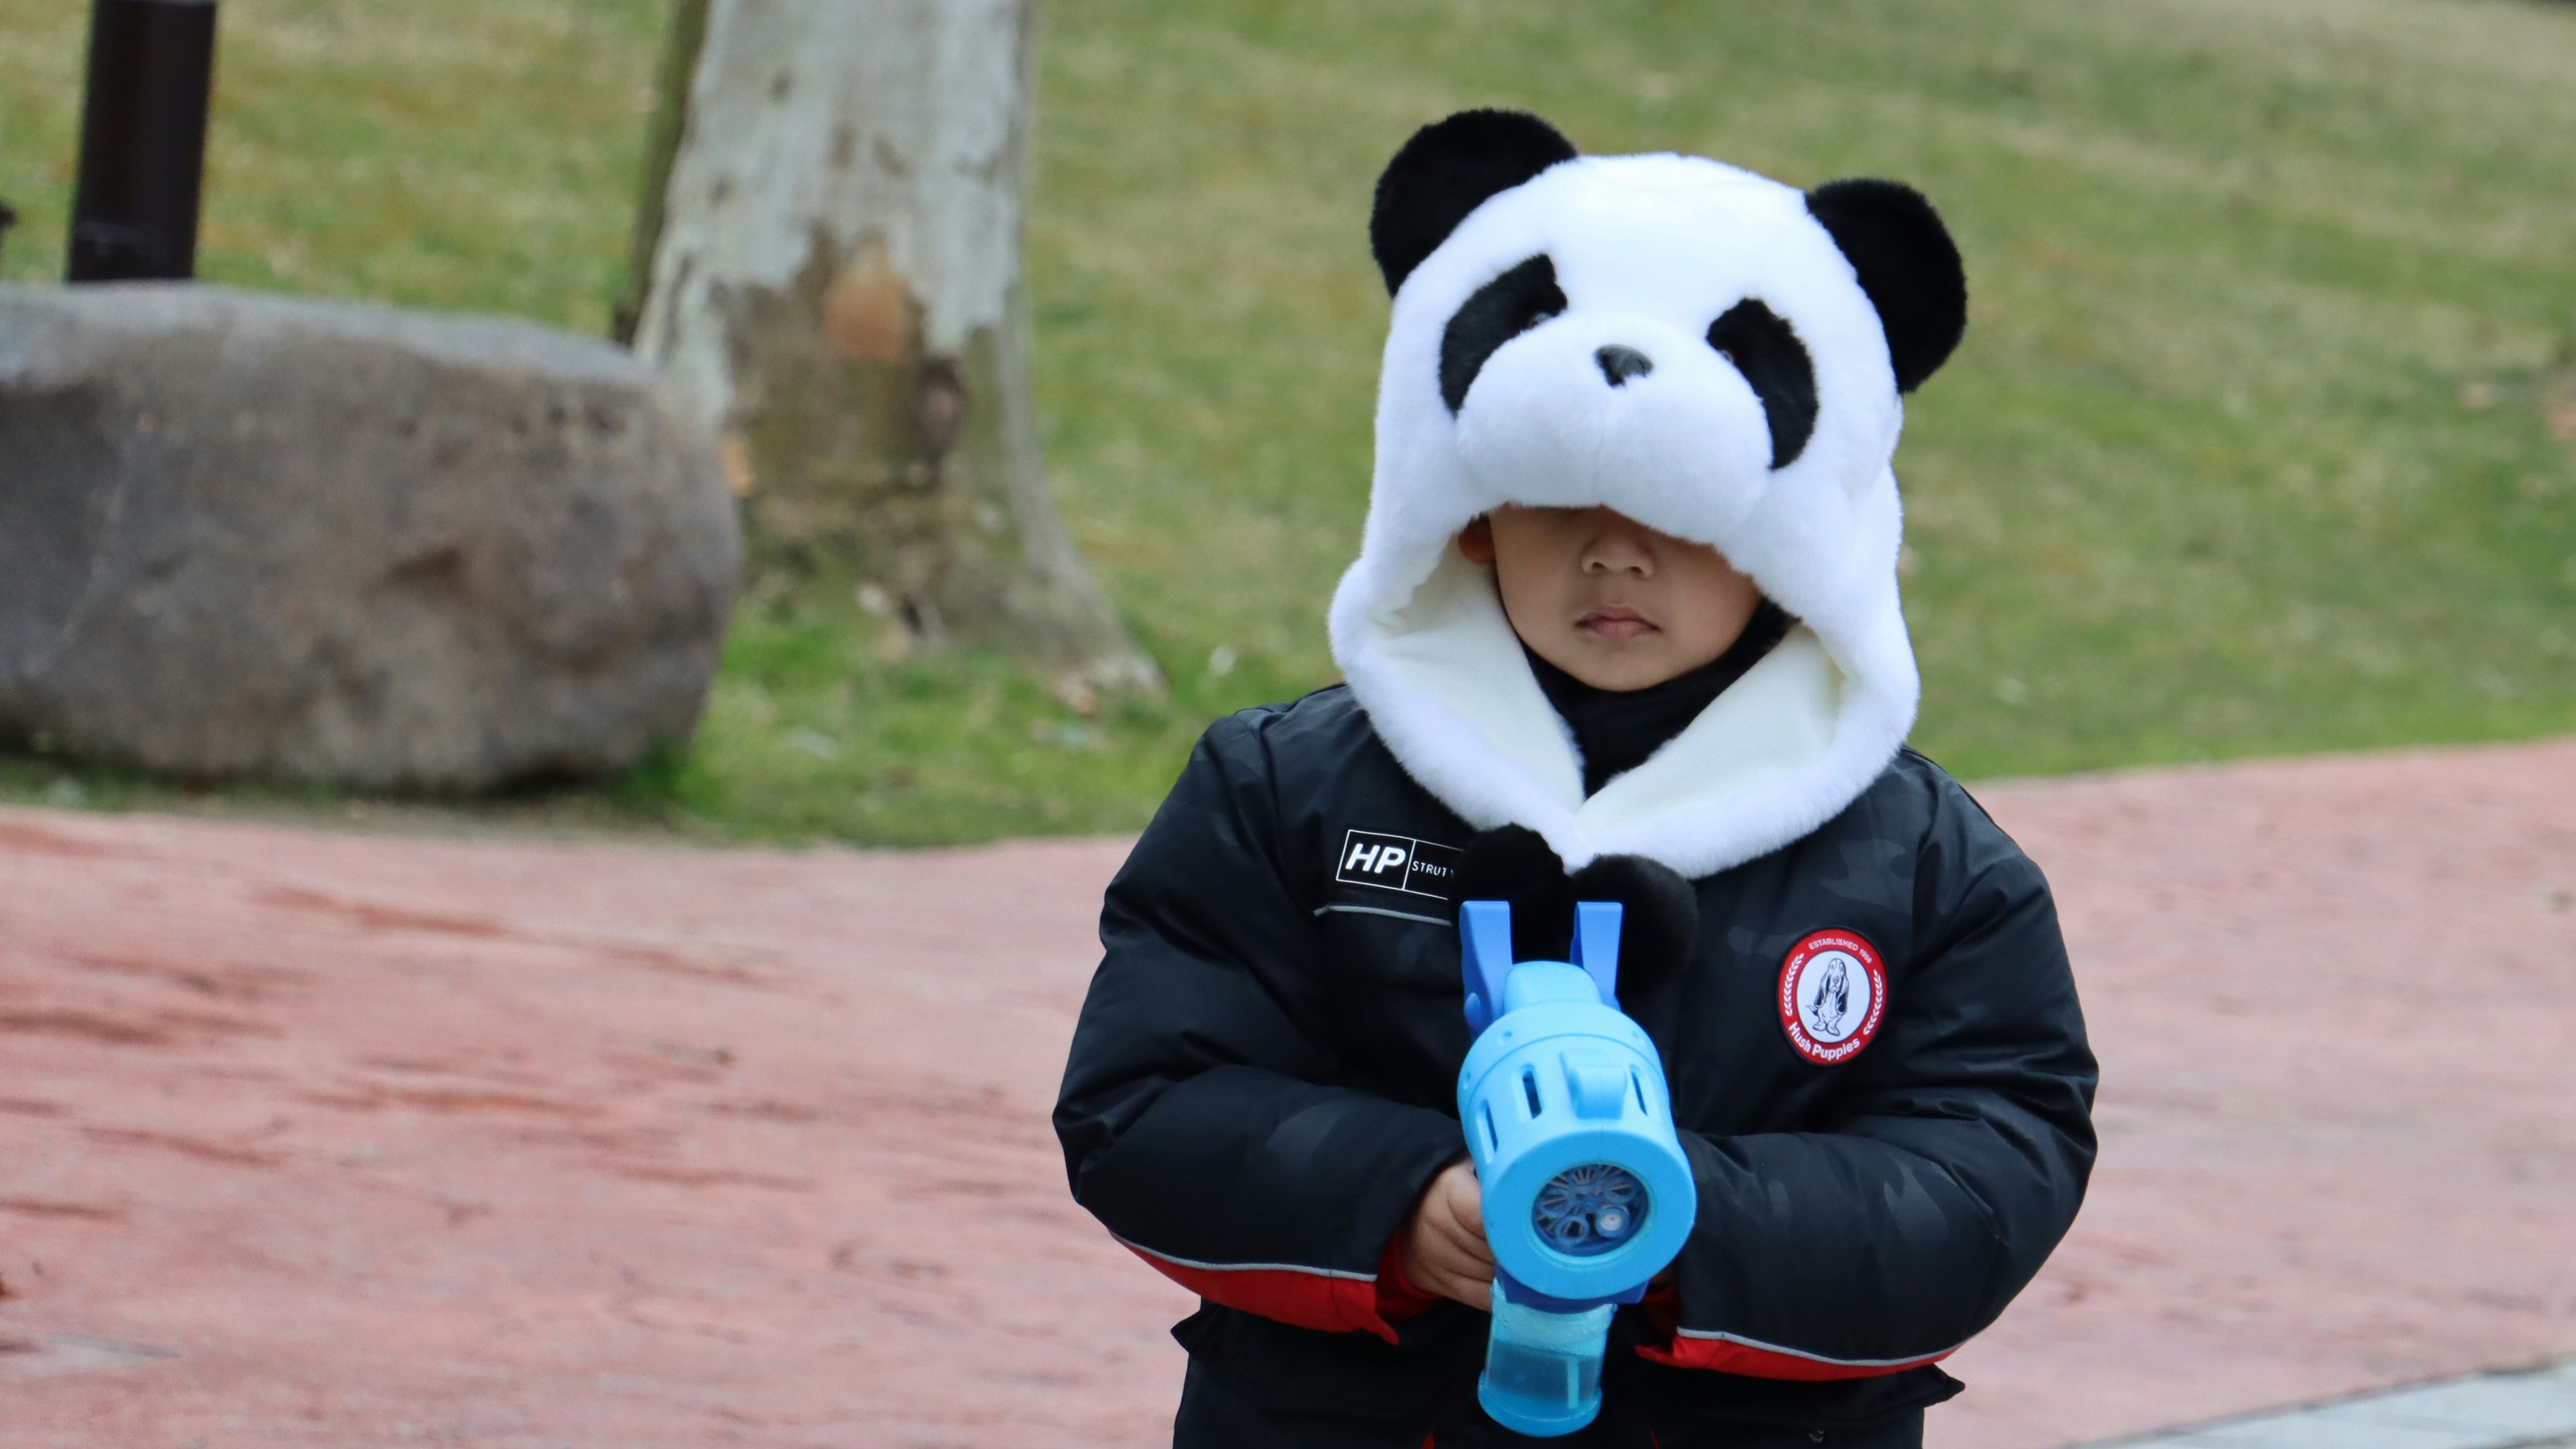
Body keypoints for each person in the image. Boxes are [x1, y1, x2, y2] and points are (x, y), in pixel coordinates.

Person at [1055, 110, 2097, 1448]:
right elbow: (1147, 1101)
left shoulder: (1925, 865)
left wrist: (1671, 1227)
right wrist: (1402, 1205)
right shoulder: (1284, 790)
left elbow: (1990, 1172)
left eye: (1679, 514)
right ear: (1468, 513)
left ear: (1795, 540)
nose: (1615, 555)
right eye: (1558, 499)